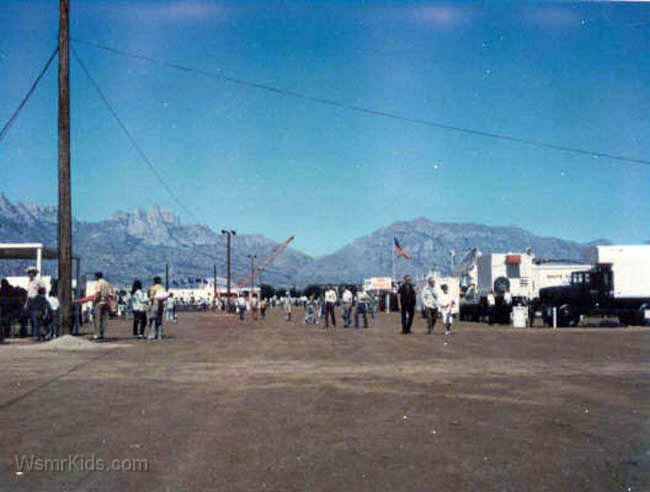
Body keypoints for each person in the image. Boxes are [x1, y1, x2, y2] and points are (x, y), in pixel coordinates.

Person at [24, 266, 46, 337]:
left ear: (34, 273)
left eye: (31, 272)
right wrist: (26, 303)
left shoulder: (38, 281)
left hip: (36, 300)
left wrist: (41, 300)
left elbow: (43, 290)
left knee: (36, 317)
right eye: (29, 272)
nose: (30, 274)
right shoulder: (29, 282)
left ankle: (36, 334)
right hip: (30, 301)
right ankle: (34, 334)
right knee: (31, 318)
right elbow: (28, 294)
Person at [92, 272, 113, 340]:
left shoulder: (98, 283)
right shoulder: (107, 283)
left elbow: (98, 293)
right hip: (106, 302)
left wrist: (95, 301)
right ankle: (102, 333)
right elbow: (110, 294)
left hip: (99, 302)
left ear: (96, 277)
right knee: (103, 319)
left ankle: (97, 334)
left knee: (97, 319)